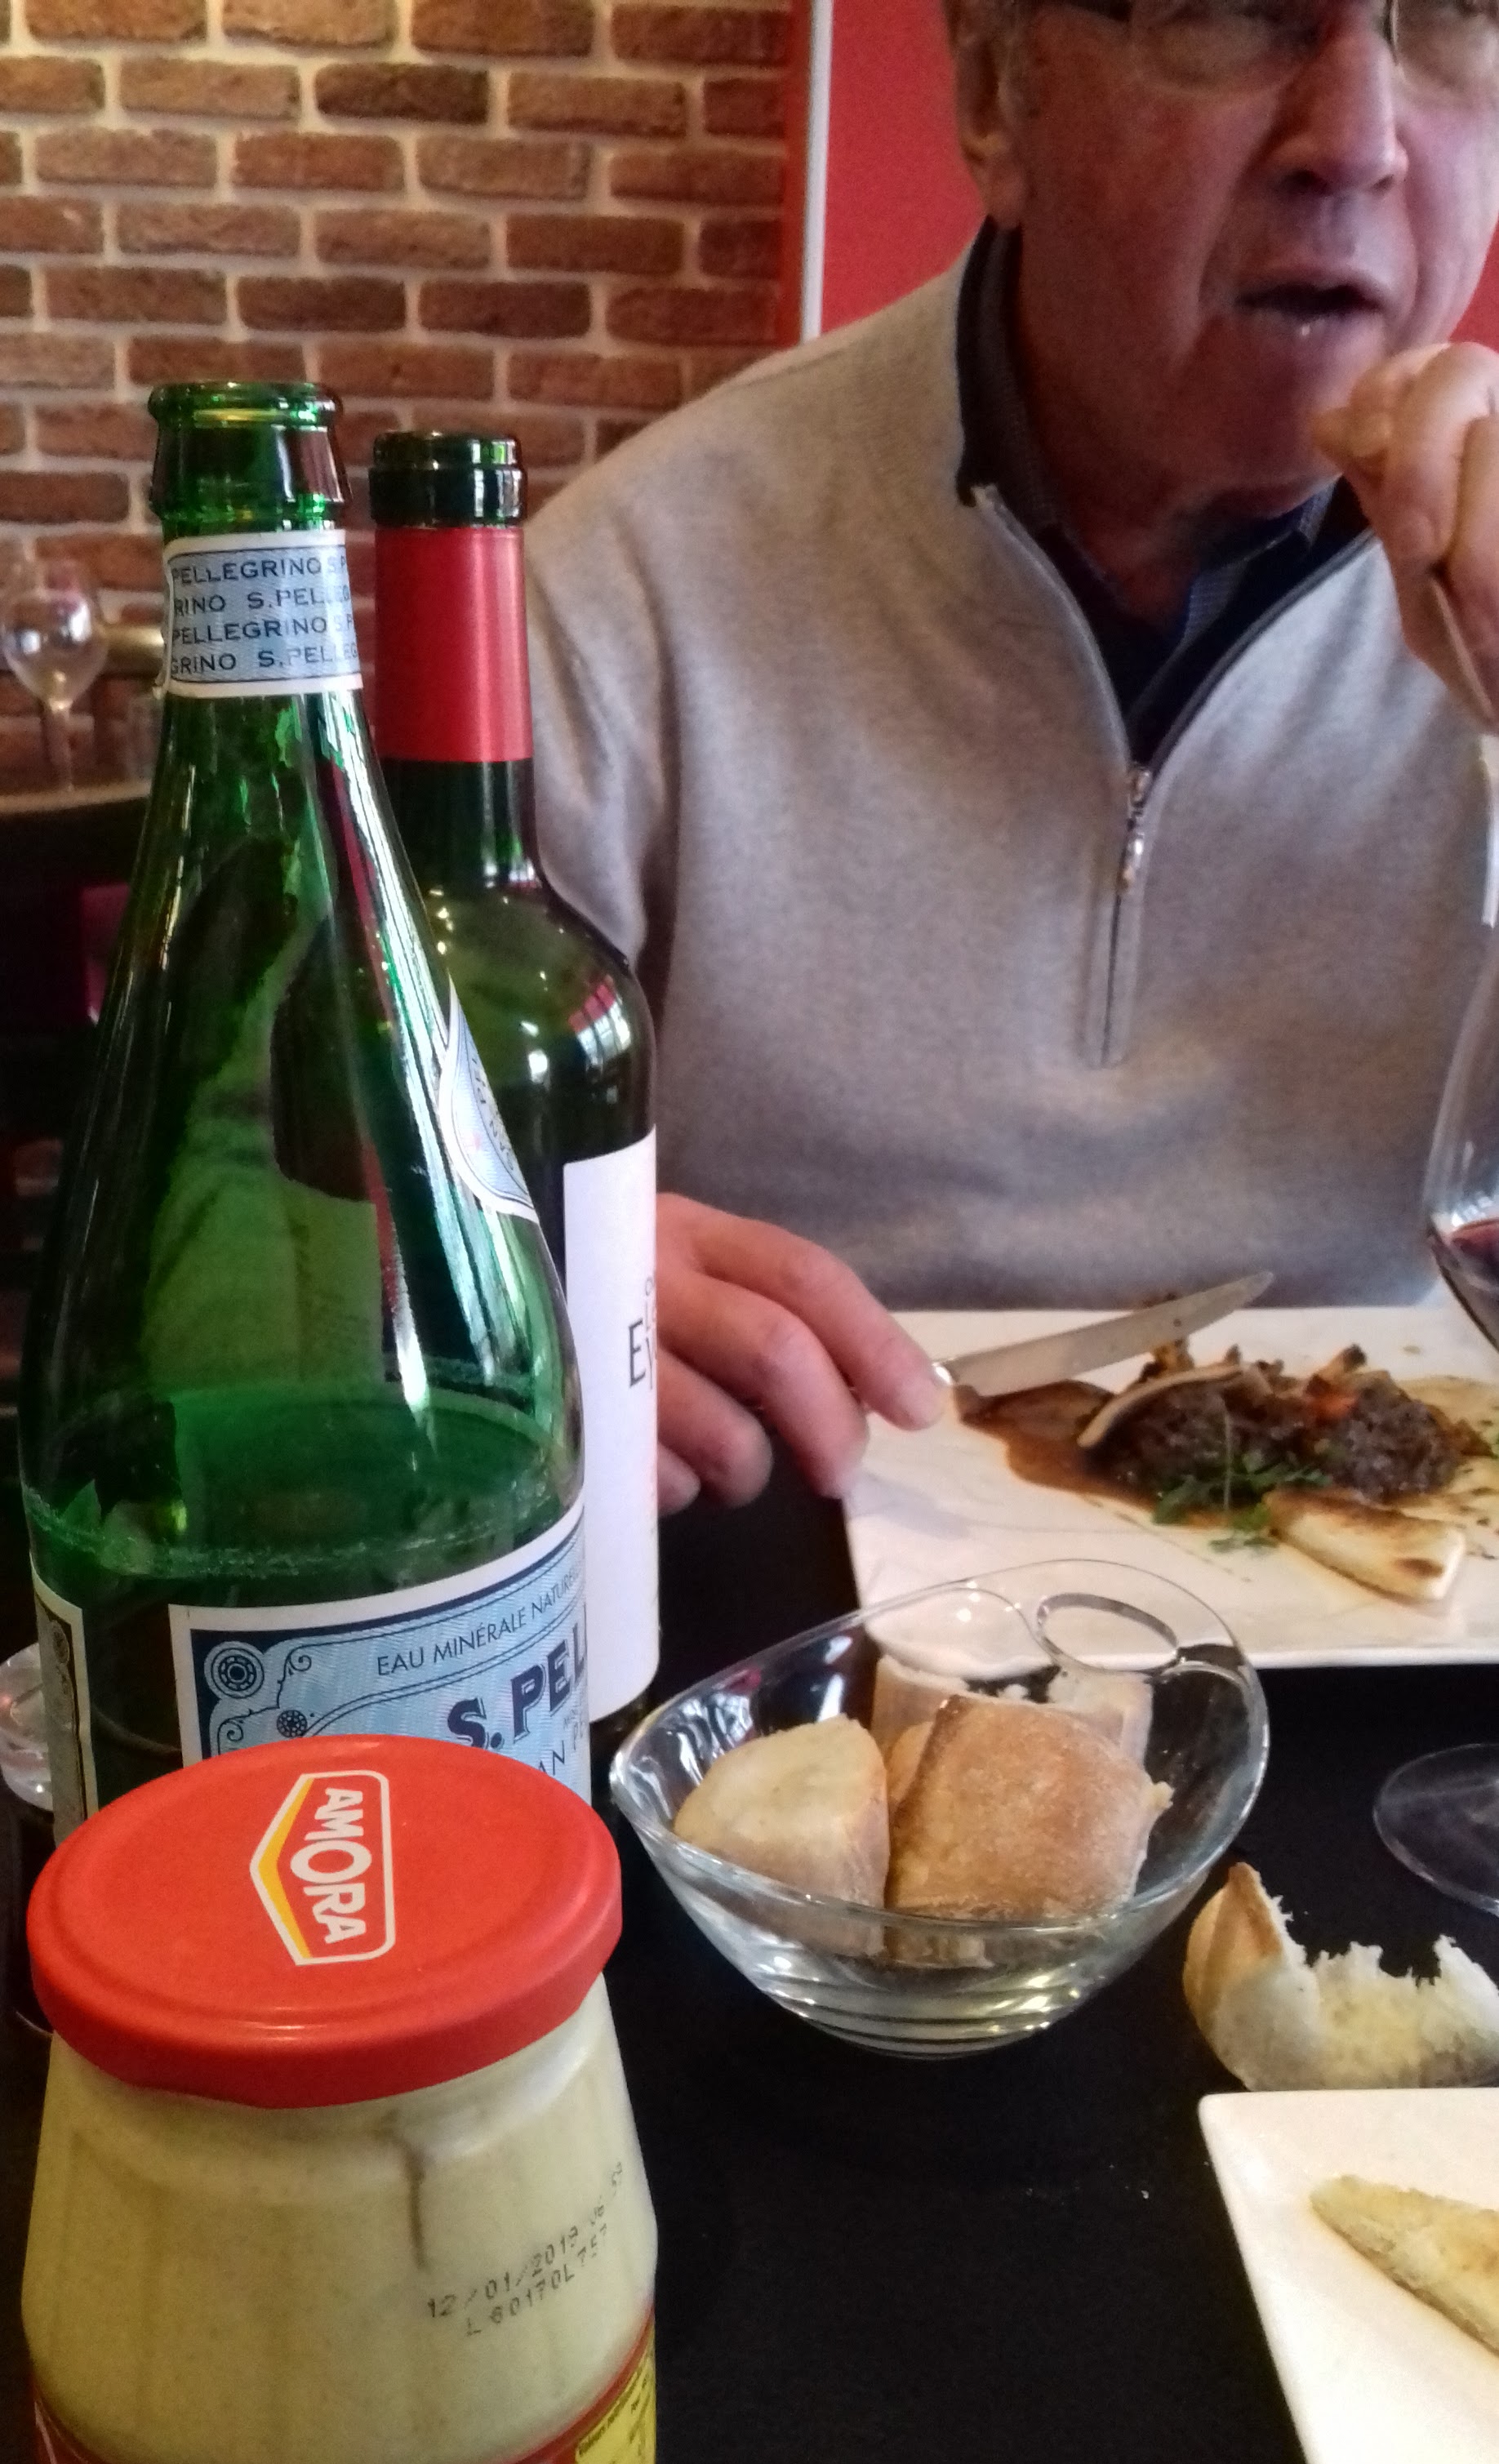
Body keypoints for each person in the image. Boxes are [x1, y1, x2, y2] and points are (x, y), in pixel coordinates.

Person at [524, 0, 1499, 1514]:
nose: (1359, 141)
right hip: (801, 1557)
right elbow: (315, 1224)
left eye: (1453, 18)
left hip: (1413, 1578)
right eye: (1236, 15)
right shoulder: (627, 597)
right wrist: (525, 1283)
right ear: (996, 95)